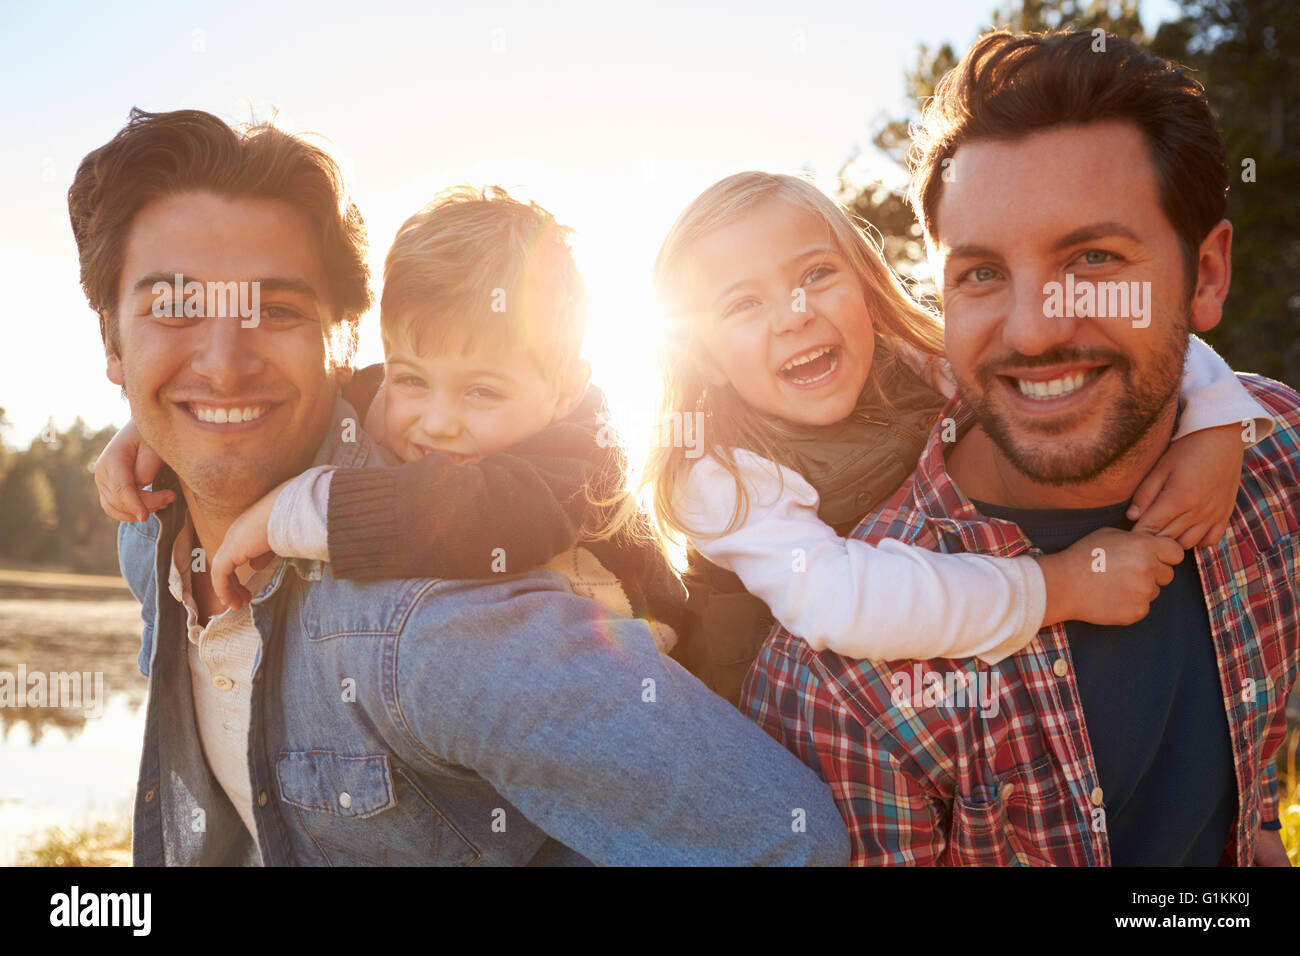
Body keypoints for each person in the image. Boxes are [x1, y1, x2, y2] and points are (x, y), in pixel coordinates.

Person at [71, 106, 850, 866]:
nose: (224, 361)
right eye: (174, 309)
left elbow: (788, 841)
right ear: (112, 343)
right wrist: (177, 424)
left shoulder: (436, 629)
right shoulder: (151, 532)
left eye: (276, 308)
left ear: (337, 342)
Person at [742, 30, 1300, 866]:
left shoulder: (1275, 460)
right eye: (980, 273)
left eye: (1095, 257)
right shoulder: (844, 683)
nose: (1034, 329)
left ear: (1207, 275)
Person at [645, 170, 1272, 708]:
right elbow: (841, 602)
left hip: (963, 659)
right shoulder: (718, 473)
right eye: (744, 304)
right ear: (702, 353)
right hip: (805, 734)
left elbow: (1108, 350)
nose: (795, 313)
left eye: (815, 273)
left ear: (863, 281)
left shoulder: (917, 362)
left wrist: (1215, 424)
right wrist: (1060, 586)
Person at [95, 185, 686, 655]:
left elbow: (479, 514)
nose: (437, 421)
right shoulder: (383, 401)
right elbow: (299, 402)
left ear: (563, 391)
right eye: (412, 379)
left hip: (657, 680)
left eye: (481, 391)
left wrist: (296, 512)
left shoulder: (579, 459)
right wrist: (155, 430)